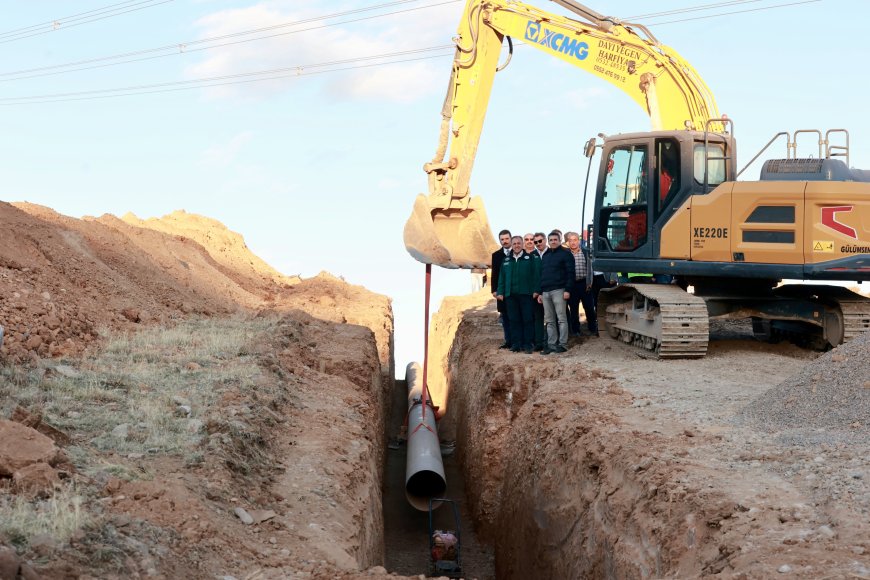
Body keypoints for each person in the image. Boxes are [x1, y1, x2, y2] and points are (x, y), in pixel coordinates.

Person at [496, 236, 541, 354]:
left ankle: (528, 344)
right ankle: (516, 344)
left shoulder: (530, 258)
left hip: (526, 294)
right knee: (514, 319)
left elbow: (536, 275)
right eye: (514, 243)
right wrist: (500, 292)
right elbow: (501, 277)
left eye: (519, 243)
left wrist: (536, 290)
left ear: (522, 245)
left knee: (527, 319)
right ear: (511, 244)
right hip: (510, 295)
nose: (516, 245)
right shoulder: (506, 260)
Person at [538, 230, 573, 354]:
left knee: (561, 319)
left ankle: (563, 344)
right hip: (546, 292)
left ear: (559, 240)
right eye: (551, 240)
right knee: (549, 320)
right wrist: (541, 292)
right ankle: (551, 344)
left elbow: (570, 273)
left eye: (555, 240)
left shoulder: (566, 254)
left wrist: (568, 290)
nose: (553, 242)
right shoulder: (546, 255)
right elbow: (542, 274)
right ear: (548, 241)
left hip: (559, 290)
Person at [565, 231, 598, 337]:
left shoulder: (586, 252)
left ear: (578, 241)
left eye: (575, 240)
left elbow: (590, 269)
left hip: (584, 284)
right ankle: (576, 331)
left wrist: (590, 282)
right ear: (568, 242)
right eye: (570, 240)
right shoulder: (566, 254)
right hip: (572, 285)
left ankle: (593, 328)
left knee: (589, 307)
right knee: (573, 309)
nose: (573, 242)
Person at [491, 229, 512, 349]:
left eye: (506, 239)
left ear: (510, 238)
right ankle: (508, 341)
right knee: (505, 317)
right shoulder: (496, 255)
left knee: (516, 316)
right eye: (502, 239)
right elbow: (495, 273)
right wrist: (494, 290)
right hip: (502, 291)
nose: (504, 241)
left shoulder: (517, 252)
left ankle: (518, 341)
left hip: (515, 290)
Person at [530, 232, 548, 351]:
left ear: (545, 240)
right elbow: (531, 275)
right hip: (536, 293)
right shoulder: (532, 255)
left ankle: (552, 343)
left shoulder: (552, 253)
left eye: (540, 241)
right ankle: (539, 343)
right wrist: (536, 291)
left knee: (553, 319)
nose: (538, 244)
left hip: (550, 291)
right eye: (535, 242)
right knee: (538, 318)